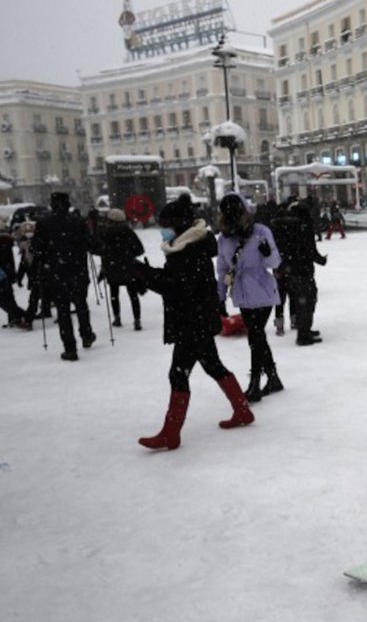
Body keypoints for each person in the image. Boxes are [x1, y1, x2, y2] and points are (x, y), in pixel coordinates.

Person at [120, 195, 254, 450]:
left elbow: (177, 286)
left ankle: (171, 433)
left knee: (178, 374)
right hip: (198, 319)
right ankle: (242, 411)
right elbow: (178, 281)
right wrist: (150, 274)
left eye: (166, 225)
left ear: (180, 226)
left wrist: (145, 273)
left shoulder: (189, 250)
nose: (163, 230)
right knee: (213, 366)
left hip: (191, 321)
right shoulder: (190, 247)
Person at [216, 192, 283, 402]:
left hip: (263, 291)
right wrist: (219, 297)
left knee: (255, 335)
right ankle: (273, 377)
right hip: (242, 293)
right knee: (258, 336)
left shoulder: (261, 231)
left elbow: (275, 263)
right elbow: (222, 269)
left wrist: (266, 253)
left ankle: (255, 383)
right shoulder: (224, 238)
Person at [31, 192, 96, 361]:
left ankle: (70, 348)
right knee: (81, 304)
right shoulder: (78, 221)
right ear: (68, 204)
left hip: (56, 273)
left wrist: (44, 258)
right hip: (78, 271)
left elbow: (36, 249)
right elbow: (90, 244)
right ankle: (87, 335)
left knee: (63, 310)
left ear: (52, 204)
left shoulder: (43, 223)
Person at [271, 199, 326, 345]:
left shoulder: (285, 227)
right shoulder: (303, 226)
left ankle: (303, 328)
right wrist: (321, 260)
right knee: (307, 300)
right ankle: (304, 333)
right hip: (303, 269)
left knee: (298, 300)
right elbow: (310, 249)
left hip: (289, 269)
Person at [93, 208, 145, 330]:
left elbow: (97, 249)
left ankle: (117, 318)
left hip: (111, 268)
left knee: (114, 294)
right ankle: (137, 320)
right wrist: (128, 254)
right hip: (128, 267)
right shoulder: (128, 232)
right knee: (133, 295)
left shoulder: (104, 233)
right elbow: (139, 250)